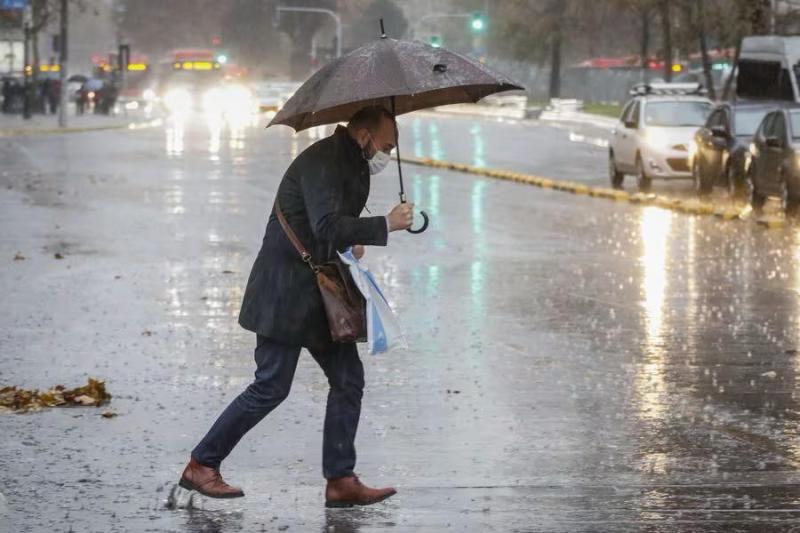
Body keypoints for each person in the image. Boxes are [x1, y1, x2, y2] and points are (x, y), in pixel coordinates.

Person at [179, 105, 414, 507]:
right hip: (285, 293)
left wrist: (352, 241)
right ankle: (201, 464)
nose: (386, 156)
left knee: (348, 381)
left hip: (317, 297)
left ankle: (341, 479)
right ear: (363, 135)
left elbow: (328, 228)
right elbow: (325, 226)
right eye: (386, 146)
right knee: (271, 386)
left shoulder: (349, 162)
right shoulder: (324, 161)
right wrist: (383, 225)